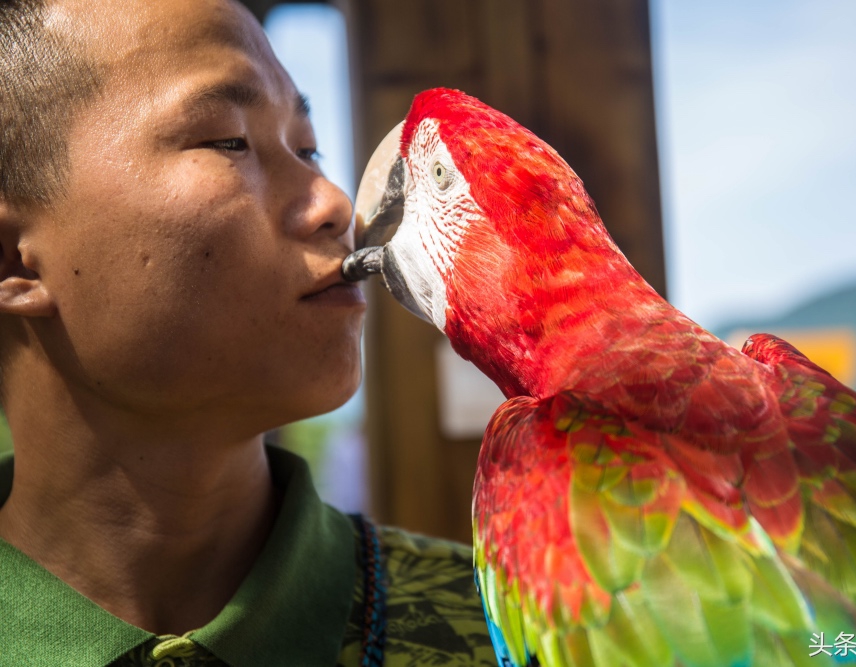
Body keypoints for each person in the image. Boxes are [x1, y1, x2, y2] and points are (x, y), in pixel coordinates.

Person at [0, 0, 498, 664]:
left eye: (308, 146)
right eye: (229, 140)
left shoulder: (507, 631)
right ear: (13, 258)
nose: (336, 204)